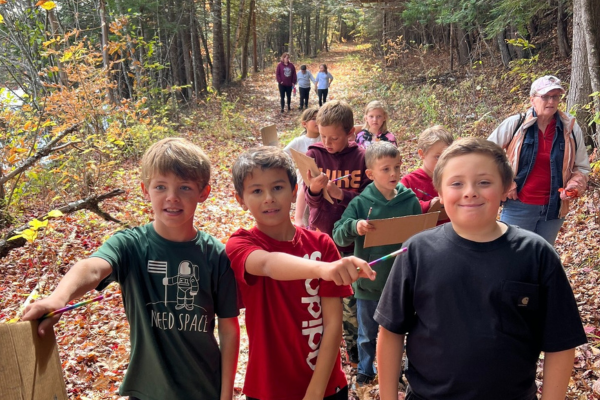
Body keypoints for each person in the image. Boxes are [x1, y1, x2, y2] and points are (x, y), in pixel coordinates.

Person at [22, 138, 240, 400]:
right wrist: (59, 297)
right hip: (146, 390)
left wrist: (226, 395)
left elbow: (228, 329)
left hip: (204, 389)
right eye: (161, 186)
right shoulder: (130, 245)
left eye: (184, 187)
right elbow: (91, 268)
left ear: (203, 193)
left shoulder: (215, 254)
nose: (172, 197)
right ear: (145, 190)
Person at [375, 138, 587, 400]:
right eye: (456, 183)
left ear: (506, 188)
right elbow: (391, 330)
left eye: (484, 182)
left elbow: (561, 342)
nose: (470, 192)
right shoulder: (417, 251)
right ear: (439, 192)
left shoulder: (536, 254)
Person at [226, 146, 376, 400]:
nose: (269, 198)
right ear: (241, 200)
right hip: (268, 388)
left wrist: (316, 392)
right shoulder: (240, 244)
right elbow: (267, 264)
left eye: (277, 187)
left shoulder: (322, 244)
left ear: (295, 191)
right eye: (256, 191)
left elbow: (332, 325)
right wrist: (324, 269)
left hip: (326, 388)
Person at [332, 142, 421, 386]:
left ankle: (395, 370)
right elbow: (337, 233)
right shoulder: (362, 203)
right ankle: (365, 369)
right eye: (385, 169)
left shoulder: (409, 200)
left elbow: (417, 235)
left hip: (400, 280)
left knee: (397, 330)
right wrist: (355, 226)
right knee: (367, 332)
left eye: (397, 167)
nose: (393, 174)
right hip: (369, 280)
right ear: (371, 174)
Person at [305, 100, 371, 367]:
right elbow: (311, 203)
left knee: (350, 297)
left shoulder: (362, 157)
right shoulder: (315, 154)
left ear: (350, 132)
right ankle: (322, 346)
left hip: (352, 239)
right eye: (323, 136)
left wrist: (340, 194)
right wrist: (314, 191)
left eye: (334, 137)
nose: (328, 143)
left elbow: (370, 201)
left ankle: (354, 347)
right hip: (321, 234)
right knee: (319, 293)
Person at [488, 75, 590, 245]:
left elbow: (582, 167)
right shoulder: (516, 124)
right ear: (532, 100)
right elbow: (484, 155)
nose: (551, 101)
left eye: (555, 96)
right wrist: (506, 181)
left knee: (541, 260)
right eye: (545, 96)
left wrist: (574, 186)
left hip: (553, 210)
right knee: (511, 257)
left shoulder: (570, 128)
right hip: (518, 206)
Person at [401, 125, 454, 225]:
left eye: (447, 156)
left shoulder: (454, 179)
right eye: (437, 157)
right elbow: (401, 207)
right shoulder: (409, 181)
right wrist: (428, 205)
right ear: (422, 154)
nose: (442, 162)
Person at [284, 107, 321, 227]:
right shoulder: (299, 141)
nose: (318, 121)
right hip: (303, 182)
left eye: (320, 118)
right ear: (304, 124)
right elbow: (283, 155)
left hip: (321, 182)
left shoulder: (325, 138)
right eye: (314, 119)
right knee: (306, 215)